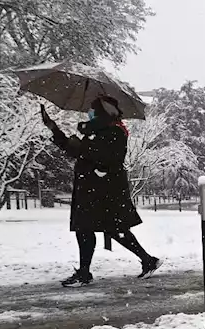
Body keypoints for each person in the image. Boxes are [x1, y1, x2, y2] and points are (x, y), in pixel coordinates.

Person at [41, 96, 161, 286]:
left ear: (102, 112)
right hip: (92, 188)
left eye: (93, 109)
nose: (90, 112)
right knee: (101, 228)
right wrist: (54, 129)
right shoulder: (96, 131)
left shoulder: (115, 131)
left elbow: (103, 157)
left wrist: (81, 146)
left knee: (97, 229)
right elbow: (77, 150)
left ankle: (85, 273)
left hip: (103, 189)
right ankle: (147, 260)